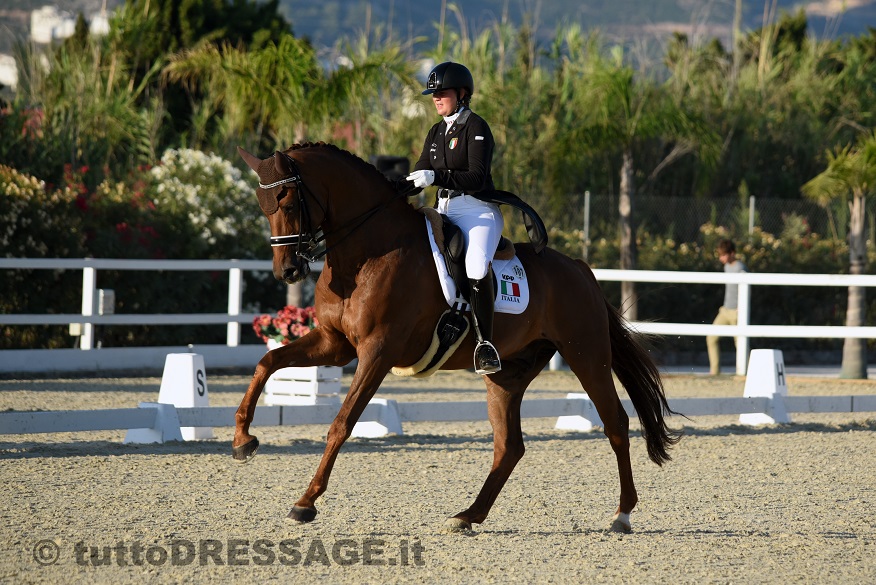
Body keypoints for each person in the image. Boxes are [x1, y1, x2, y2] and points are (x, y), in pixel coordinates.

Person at [406, 61, 504, 375]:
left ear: (462, 94)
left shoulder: (476, 127)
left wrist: (435, 175)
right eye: (433, 93)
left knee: (475, 264)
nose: (436, 98)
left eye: (442, 93)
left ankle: (485, 343)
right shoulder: (436, 131)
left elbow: (476, 176)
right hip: (443, 209)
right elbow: (419, 174)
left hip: (477, 210)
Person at [707, 238, 748, 375]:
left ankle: (745, 372)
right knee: (711, 337)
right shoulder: (726, 267)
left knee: (740, 342)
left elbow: (747, 288)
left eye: (723, 254)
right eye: (720, 255)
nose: (721, 258)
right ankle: (715, 371)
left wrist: (741, 307)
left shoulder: (740, 268)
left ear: (732, 253)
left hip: (737, 312)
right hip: (725, 310)